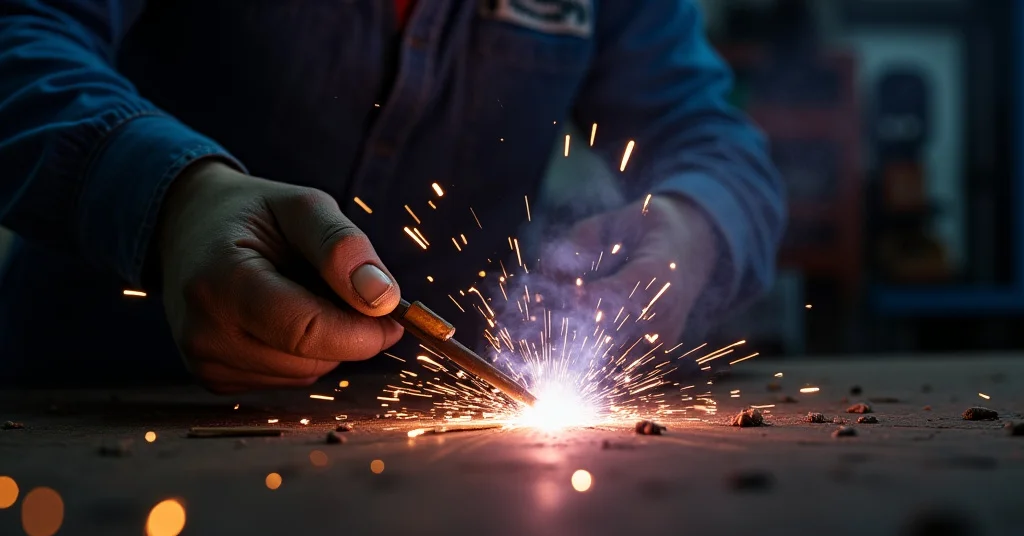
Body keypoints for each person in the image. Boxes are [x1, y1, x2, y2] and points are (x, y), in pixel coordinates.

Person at [0, 0, 785, 391]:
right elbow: (20, 34)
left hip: (436, 461)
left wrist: (691, 227)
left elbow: (711, 139)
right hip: (100, 407)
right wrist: (171, 199)